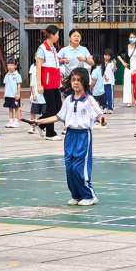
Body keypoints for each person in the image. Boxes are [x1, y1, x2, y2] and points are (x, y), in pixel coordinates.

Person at [33, 68, 105, 207]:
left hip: (83, 136)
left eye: (79, 80)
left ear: (84, 82)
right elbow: (58, 117)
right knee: (69, 167)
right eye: (73, 80)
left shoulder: (89, 100)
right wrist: (40, 121)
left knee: (79, 168)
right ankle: (76, 195)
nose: (75, 83)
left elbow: (99, 115)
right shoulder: (68, 100)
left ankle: (89, 196)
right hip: (70, 136)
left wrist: (103, 120)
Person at [35, 26, 65, 141]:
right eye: (57, 34)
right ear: (51, 35)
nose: (58, 37)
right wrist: (39, 84)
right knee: (51, 107)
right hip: (47, 82)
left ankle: (40, 123)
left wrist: (62, 61)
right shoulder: (42, 49)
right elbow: (38, 67)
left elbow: (53, 62)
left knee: (58, 106)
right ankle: (50, 133)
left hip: (55, 81)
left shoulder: (52, 48)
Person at [2, 60, 22, 128]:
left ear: (15, 66)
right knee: (10, 108)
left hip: (15, 95)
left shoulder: (17, 75)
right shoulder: (7, 75)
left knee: (16, 108)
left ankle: (16, 122)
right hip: (8, 95)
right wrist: (4, 94)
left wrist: (18, 94)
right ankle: (10, 121)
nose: (10, 66)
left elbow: (19, 85)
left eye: (12, 65)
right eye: (8, 65)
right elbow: (5, 85)